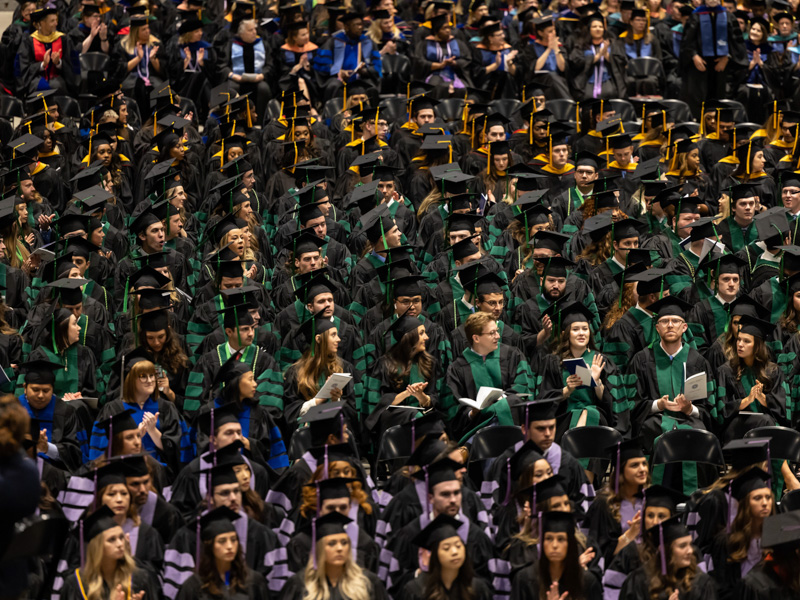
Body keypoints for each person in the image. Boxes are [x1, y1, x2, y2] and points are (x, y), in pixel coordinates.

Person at [279, 512, 388, 600]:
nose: (340, 548)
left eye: (344, 542)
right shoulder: (299, 584)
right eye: (332, 543)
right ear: (319, 549)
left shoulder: (368, 583)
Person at [59, 505, 158, 600]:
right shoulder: (75, 584)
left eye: (121, 537)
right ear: (97, 547)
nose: (120, 544)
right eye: (112, 540)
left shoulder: (139, 579)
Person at [175, 506, 271, 600]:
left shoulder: (254, 581)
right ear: (210, 546)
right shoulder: (193, 586)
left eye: (233, 540)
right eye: (222, 541)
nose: (229, 546)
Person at [619, 514, 719, 600]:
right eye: (682, 546)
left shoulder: (701, 582)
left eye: (690, 544)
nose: (690, 551)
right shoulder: (638, 581)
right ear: (664, 550)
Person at [512, 511, 603, 600]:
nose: (554, 545)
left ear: (570, 544)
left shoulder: (588, 582)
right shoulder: (524, 579)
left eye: (561, 539)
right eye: (549, 538)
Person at [401, 514, 493, 600]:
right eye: (446, 548)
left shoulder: (477, 588)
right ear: (434, 555)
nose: (454, 552)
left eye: (458, 546)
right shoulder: (416, 590)